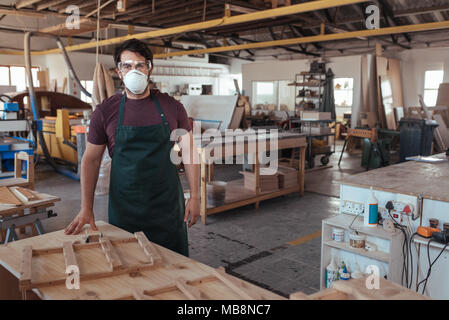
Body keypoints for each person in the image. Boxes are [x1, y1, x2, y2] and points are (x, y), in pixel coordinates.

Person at [65, 38, 200, 257]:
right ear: (119, 72)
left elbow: (190, 152)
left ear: (149, 69)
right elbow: (90, 159)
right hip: (125, 210)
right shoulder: (105, 112)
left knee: (174, 267)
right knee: (130, 268)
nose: (133, 71)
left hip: (167, 208)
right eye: (127, 66)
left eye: (139, 65)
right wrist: (86, 207)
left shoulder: (172, 107)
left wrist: (195, 197)